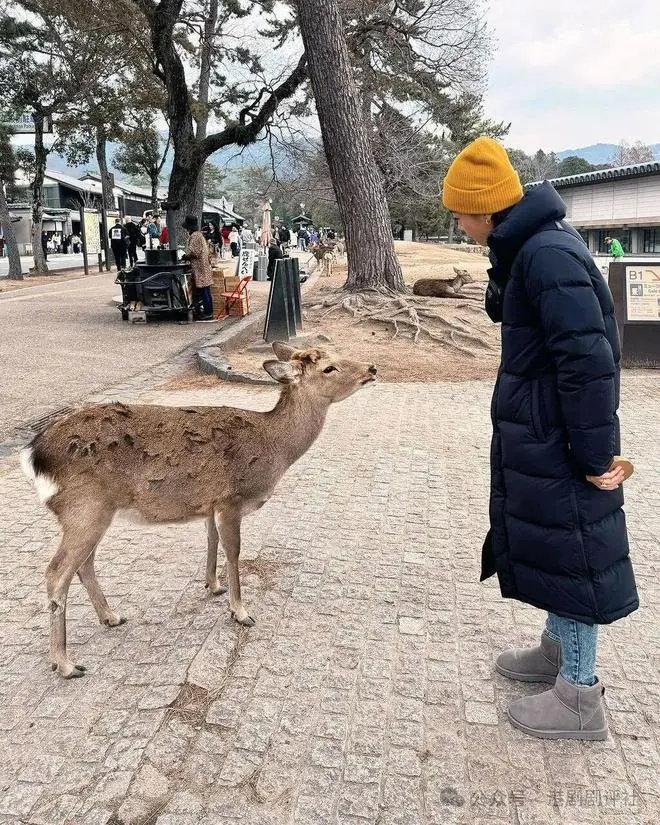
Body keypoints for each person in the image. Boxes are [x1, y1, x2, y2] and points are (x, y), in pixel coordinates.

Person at [441, 137, 638, 741]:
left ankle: (580, 696)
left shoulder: (547, 255)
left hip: (563, 435)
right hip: (545, 428)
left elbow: (587, 363)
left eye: (459, 211)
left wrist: (596, 452)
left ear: (484, 208)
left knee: (574, 550)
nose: (457, 222)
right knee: (556, 543)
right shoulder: (529, 250)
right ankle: (557, 654)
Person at [182, 215, 214, 320]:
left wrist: (185, 256)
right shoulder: (199, 235)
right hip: (204, 266)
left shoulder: (195, 235)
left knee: (204, 290)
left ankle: (207, 312)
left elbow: (194, 252)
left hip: (200, 267)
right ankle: (208, 311)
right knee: (206, 290)